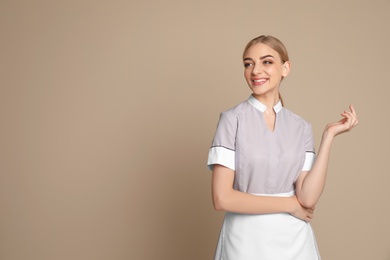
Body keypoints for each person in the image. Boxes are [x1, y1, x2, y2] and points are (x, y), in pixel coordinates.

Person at [207, 35, 358, 260]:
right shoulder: (232, 120)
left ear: (285, 68)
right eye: (248, 64)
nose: (255, 70)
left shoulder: (301, 127)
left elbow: (307, 198)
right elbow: (222, 199)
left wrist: (328, 137)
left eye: (266, 62)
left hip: (294, 240)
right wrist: (289, 204)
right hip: (245, 240)